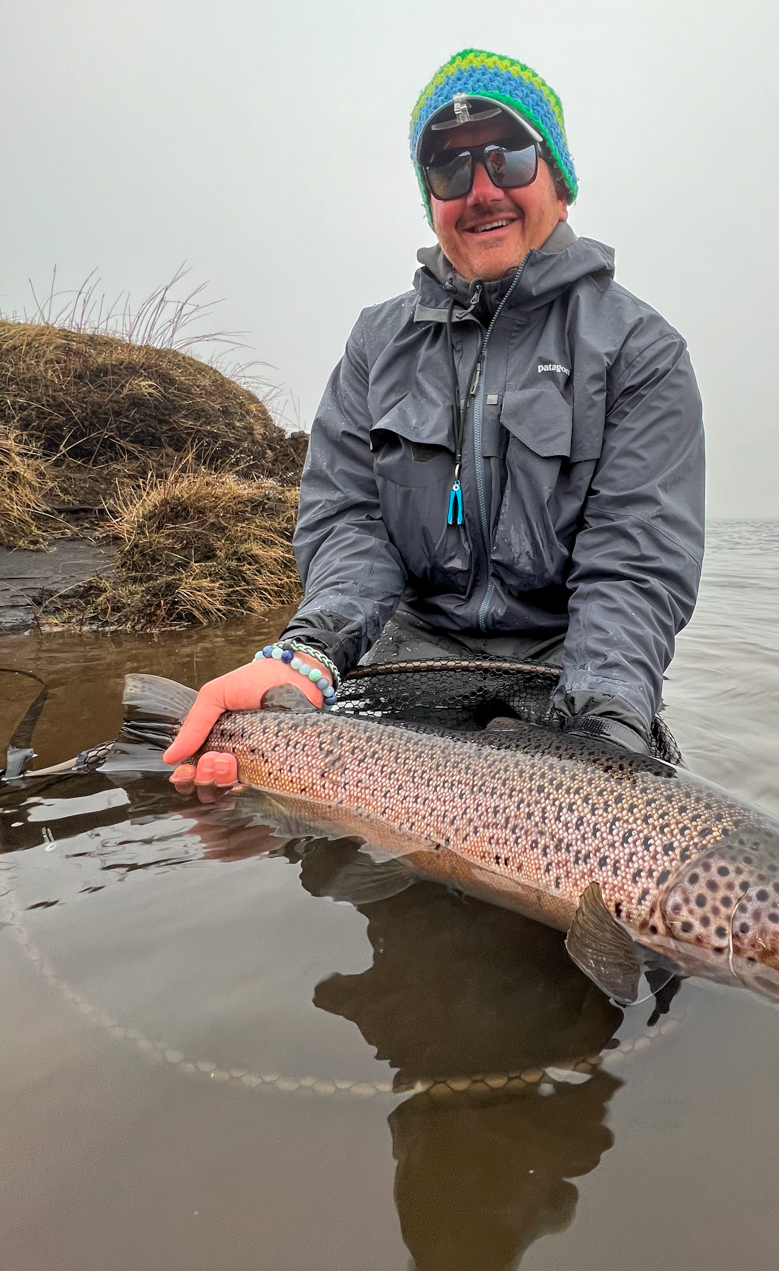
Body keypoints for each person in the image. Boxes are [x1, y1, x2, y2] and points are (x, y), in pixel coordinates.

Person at [165, 48, 705, 788]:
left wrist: (603, 735)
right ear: (432, 200)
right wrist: (308, 653)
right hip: (410, 654)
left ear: (560, 182)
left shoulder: (643, 350)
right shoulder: (375, 343)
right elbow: (350, 524)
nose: (482, 190)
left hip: (568, 668)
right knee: (322, 857)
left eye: (508, 156)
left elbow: (632, 568)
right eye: (451, 171)